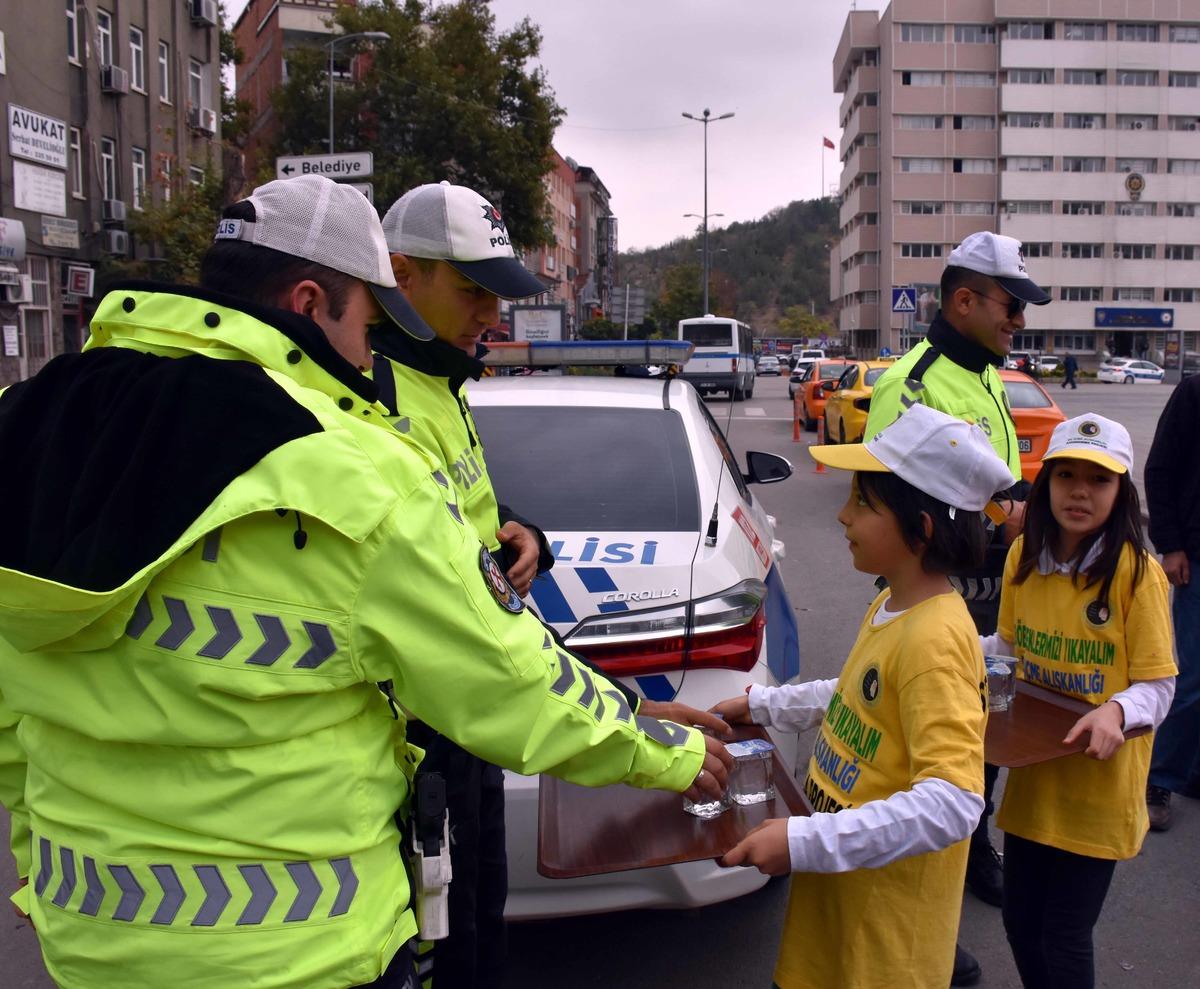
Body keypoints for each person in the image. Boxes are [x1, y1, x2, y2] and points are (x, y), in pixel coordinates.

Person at [0, 175, 732, 989]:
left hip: (92, 942)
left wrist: (37, 855)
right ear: (313, 304)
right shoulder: (346, 466)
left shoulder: (31, 422)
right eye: (368, 323)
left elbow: (12, 699)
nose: (368, 356)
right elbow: (505, 675)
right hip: (294, 949)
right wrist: (660, 747)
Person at [371, 181, 727, 989]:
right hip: (419, 743)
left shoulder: (443, 383)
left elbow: (473, 538)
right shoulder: (374, 399)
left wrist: (525, 533)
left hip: (474, 743)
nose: (491, 315)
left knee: (479, 932)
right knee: (445, 951)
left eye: (499, 293)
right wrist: (635, 723)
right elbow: (458, 627)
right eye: (472, 290)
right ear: (398, 273)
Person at [712, 403, 1015, 989]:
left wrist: (805, 840)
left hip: (884, 941)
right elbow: (854, 693)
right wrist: (761, 706)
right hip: (842, 899)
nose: (843, 516)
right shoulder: (893, 602)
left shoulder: (935, 641)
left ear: (922, 528)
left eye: (865, 504)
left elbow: (953, 802)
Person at [863, 230, 1051, 981]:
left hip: (995, 587)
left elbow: (994, 481)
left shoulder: (989, 375)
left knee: (987, 721)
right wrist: (995, 517)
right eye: (1012, 305)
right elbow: (885, 503)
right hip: (941, 590)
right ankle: (929, 852)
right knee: (932, 729)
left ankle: (971, 839)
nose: (1020, 322)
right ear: (964, 299)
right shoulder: (912, 380)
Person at [982, 414, 1176, 988]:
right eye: (1065, 475)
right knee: (1020, 923)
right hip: (1034, 779)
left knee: (1063, 935)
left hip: (1098, 789)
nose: (1080, 492)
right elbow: (1005, 650)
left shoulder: (1138, 576)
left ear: (1122, 492)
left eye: (1099, 479)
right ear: (1045, 485)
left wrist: (1117, 711)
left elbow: (1159, 687)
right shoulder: (1022, 559)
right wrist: (968, 679)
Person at [1144, 373, 1200, 830]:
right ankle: (1159, 778)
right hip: (1197, 558)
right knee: (1195, 678)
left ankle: (1192, 770)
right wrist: (1171, 544)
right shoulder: (1195, 392)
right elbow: (1160, 470)